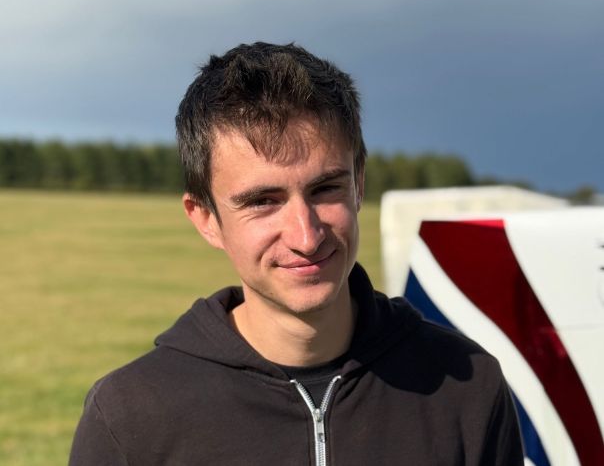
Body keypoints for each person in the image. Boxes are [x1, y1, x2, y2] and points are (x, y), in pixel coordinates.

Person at [69, 42, 524, 465]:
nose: (306, 236)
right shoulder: (130, 418)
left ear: (359, 184)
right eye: (262, 201)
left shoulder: (468, 387)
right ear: (205, 218)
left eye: (325, 189)